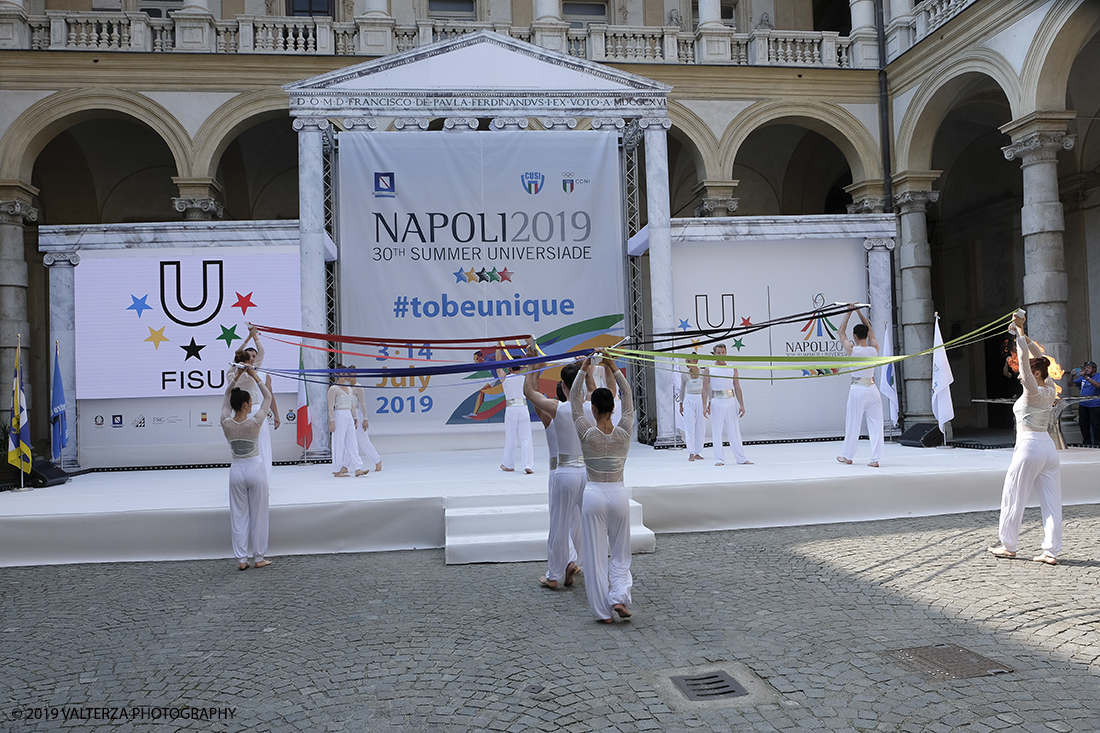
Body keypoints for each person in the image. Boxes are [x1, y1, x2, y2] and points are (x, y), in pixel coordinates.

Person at [989, 311, 1062, 565]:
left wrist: (1019, 333)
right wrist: (1024, 333)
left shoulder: (1032, 390)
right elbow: (1033, 355)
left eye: (1027, 371)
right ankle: (1050, 552)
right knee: (1051, 502)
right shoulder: (1051, 388)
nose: (1020, 373)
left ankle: (1008, 545)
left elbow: (1023, 358)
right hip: (1048, 449)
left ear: (1037, 375)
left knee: (1013, 494)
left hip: (1029, 446)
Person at [570, 350, 634, 623]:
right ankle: (618, 596)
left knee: (595, 556)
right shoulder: (625, 429)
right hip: (618, 493)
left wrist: (584, 368)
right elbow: (629, 397)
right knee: (620, 551)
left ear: (593, 409)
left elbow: (574, 399)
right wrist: (612, 366)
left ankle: (602, 611)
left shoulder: (586, 431)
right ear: (613, 408)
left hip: (594, 494)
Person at [525, 360, 584, 590]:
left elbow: (532, 393)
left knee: (558, 523)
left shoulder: (553, 413)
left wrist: (534, 367)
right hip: (582, 471)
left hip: (559, 472)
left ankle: (561, 567)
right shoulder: (586, 409)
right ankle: (574, 561)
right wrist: (587, 367)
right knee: (576, 521)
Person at [220, 364, 273, 570]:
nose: (252, 405)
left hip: (236, 470)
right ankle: (259, 557)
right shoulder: (255, 422)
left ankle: (242, 560)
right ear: (244, 405)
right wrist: (254, 376)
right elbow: (267, 398)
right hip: (255, 468)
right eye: (250, 403)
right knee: (259, 514)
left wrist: (238, 375)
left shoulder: (225, 421)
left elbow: (226, 398)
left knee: (239, 516)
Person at [836, 305, 883, 468]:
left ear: (854, 336)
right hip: (872, 389)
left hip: (858, 390)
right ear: (866, 335)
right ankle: (875, 459)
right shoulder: (874, 349)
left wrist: (849, 313)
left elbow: (841, 332)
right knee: (876, 425)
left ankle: (848, 456)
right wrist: (859, 312)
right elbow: (870, 329)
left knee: (853, 423)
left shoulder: (852, 349)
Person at [233, 325, 279, 482]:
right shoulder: (233, 373)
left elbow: (270, 395)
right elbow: (237, 356)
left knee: (261, 445)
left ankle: (263, 479)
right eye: (247, 358)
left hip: (257, 412)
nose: (250, 360)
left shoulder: (255, 372)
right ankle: (246, 479)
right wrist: (251, 336)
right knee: (244, 447)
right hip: (241, 413)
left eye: (253, 357)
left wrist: (253, 336)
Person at [702, 344, 751, 466]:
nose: (721, 354)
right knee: (717, 432)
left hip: (730, 402)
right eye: (718, 352)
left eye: (723, 352)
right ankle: (719, 459)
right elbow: (704, 389)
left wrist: (742, 404)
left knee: (734, 431)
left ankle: (741, 458)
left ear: (726, 353)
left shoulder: (732, 368)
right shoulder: (708, 369)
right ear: (714, 354)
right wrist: (704, 405)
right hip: (716, 402)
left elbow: (737, 387)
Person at [496, 347, 534, 474]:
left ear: (509, 367)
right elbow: (533, 366)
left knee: (511, 438)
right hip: (523, 408)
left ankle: (509, 465)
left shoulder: (505, 378)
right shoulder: (525, 379)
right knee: (526, 437)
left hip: (511, 409)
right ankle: (528, 465)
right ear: (520, 367)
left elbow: (497, 365)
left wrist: (498, 347)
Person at [328, 367, 367, 477]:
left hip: (349, 415)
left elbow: (352, 404)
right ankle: (337, 469)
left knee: (352, 442)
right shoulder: (333, 389)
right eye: (344, 373)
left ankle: (357, 467)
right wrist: (332, 421)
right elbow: (330, 407)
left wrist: (355, 417)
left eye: (346, 373)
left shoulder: (349, 388)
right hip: (339, 415)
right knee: (338, 442)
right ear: (337, 374)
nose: (346, 376)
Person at [347, 365, 383, 472]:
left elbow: (363, 404)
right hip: (348, 413)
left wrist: (365, 419)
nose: (348, 377)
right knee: (348, 439)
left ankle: (377, 460)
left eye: (350, 374)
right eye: (347, 375)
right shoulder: (346, 388)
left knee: (363, 439)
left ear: (355, 374)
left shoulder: (359, 387)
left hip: (358, 413)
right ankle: (345, 464)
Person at [679, 355, 706, 461]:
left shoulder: (703, 374)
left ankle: (697, 451)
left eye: (689, 361)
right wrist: (681, 404)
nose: (687, 363)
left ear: (696, 361)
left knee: (700, 426)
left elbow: (707, 388)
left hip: (700, 399)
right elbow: (682, 390)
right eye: (686, 361)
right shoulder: (685, 375)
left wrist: (708, 403)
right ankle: (691, 452)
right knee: (689, 426)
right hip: (689, 400)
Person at [1072, 360, 1099, 445]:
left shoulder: (1098, 376)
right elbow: (1070, 384)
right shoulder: (1083, 378)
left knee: (1096, 424)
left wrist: (1086, 377)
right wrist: (1071, 376)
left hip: (1095, 404)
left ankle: (1098, 442)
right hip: (1083, 404)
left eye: (1088, 368)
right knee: (1083, 424)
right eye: (1085, 368)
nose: (1086, 369)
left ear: (1094, 369)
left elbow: (1097, 385)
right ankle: (1087, 442)